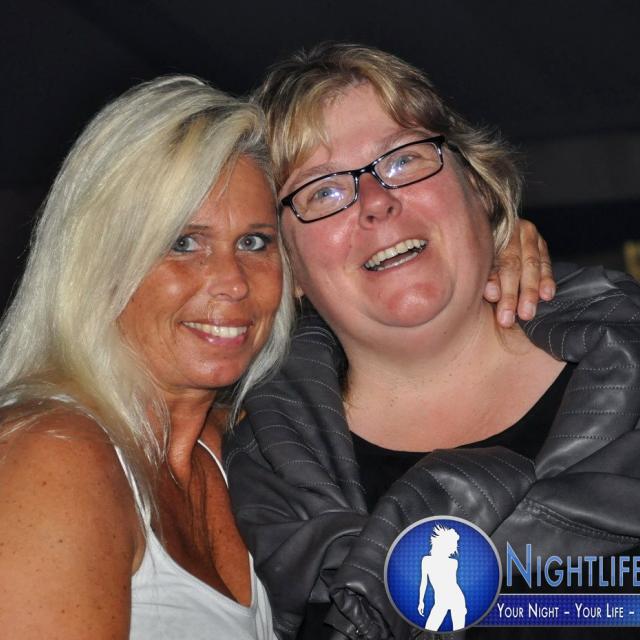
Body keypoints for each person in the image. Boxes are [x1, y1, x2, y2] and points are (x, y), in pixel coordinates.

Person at [224, 43, 640, 639]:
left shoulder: (630, 353)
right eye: (323, 192)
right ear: (289, 267)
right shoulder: (255, 489)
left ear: (479, 186)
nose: (375, 202)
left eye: (403, 159)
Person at [0, 75, 295, 639]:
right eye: (183, 243)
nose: (233, 281)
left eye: (254, 242)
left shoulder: (238, 450)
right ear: (100, 261)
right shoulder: (54, 454)